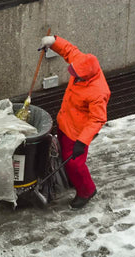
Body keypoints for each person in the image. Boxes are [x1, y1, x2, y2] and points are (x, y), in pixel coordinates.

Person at [40, 35, 111, 209]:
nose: (74, 77)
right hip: (66, 121)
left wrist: (82, 141)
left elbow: (97, 119)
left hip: (78, 132)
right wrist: (53, 41)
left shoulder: (98, 92)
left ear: (86, 77)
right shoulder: (83, 62)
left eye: (77, 77)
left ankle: (87, 190)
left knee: (75, 163)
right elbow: (70, 50)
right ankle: (73, 180)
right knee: (64, 155)